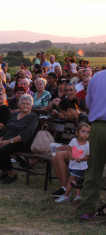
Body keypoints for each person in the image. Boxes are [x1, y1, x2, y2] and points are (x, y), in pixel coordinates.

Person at [0, 95, 38, 184]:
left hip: (21, 142)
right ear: (19, 105)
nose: (25, 106)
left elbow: (26, 134)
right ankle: (5, 170)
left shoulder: (33, 117)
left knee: (2, 151)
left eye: (28, 104)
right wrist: (1, 140)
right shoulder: (15, 114)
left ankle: (12, 173)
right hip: (6, 140)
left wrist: (9, 141)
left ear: (31, 106)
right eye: (23, 103)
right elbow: (6, 128)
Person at [77, 70, 106, 219]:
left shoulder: (97, 77)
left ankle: (87, 209)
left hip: (98, 127)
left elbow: (88, 102)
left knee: (94, 169)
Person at [55, 123, 90, 203]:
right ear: (77, 132)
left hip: (81, 167)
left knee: (71, 179)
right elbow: (70, 150)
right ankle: (78, 196)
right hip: (73, 165)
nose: (85, 134)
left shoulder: (87, 145)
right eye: (83, 131)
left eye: (87, 132)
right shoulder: (73, 141)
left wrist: (81, 159)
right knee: (77, 180)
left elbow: (88, 156)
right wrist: (71, 156)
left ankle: (65, 196)